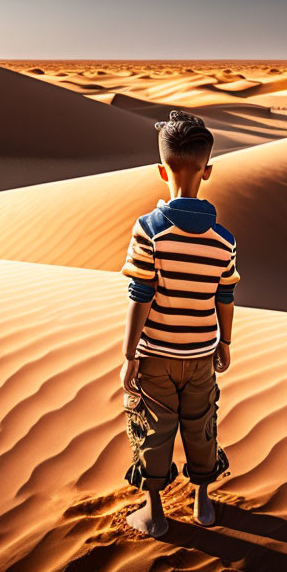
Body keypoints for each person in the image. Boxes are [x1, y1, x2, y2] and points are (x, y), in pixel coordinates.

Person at [118, 109, 239, 538]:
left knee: (154, 428)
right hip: (202, 355)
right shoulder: (223, 240)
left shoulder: (149, 230)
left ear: (160, 170)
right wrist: (225, 342)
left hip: (155, 358)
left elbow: (141, 295)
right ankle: (202, 501)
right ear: (208, 171)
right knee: (202, 425)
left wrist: (129, 354)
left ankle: (155, 511)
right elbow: (225, 295)